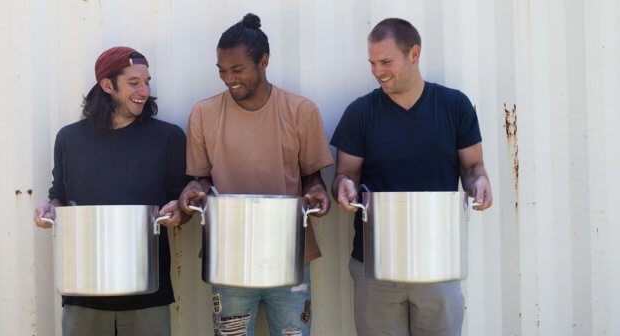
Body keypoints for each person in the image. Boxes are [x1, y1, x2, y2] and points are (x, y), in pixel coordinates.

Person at [161, 13, 334, 336]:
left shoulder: (301, 110)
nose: (228, 78)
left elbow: (312, 178)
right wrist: (191, 192)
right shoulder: (204, 113)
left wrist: (318, 194)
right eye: (222, 71)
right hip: (228, 255)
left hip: (290, 253)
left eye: (237, 69)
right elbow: (201, 180)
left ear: (264, 61)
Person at [330, 18, 493, 336]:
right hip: (374, 265)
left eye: (386, 61)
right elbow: (343, 176)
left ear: (414, 54)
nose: (378, 71)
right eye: (372, 63)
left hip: (439, 263)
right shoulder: (360, 113)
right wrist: (344, 187)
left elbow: (473, 168)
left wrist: (480, 183)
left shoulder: (454, 106)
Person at [33, 46, 189, 336]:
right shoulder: (69, 139)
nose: (144, 90)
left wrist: (178, 212)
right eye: (134, 83)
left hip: (147, 293)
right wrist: (50, 208)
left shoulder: (168, 137)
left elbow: (180, 200)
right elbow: (60, 194)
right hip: (82, 292)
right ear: (107, 85)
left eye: (147, 81)